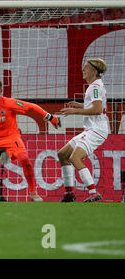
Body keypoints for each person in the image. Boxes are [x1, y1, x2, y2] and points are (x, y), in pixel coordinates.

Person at [57, 58, 108, 203]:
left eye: (86, 67)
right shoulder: (94, 86)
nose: (83, 70)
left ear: (94, 71)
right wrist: (80, 105)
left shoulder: (95, 87)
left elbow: (98, 110)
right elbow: (98, 106)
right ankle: (69, 193)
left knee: (75, 158)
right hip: (92, 129)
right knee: (62, 154)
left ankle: (93, 192)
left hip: (97, 130)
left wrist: (74, 111)